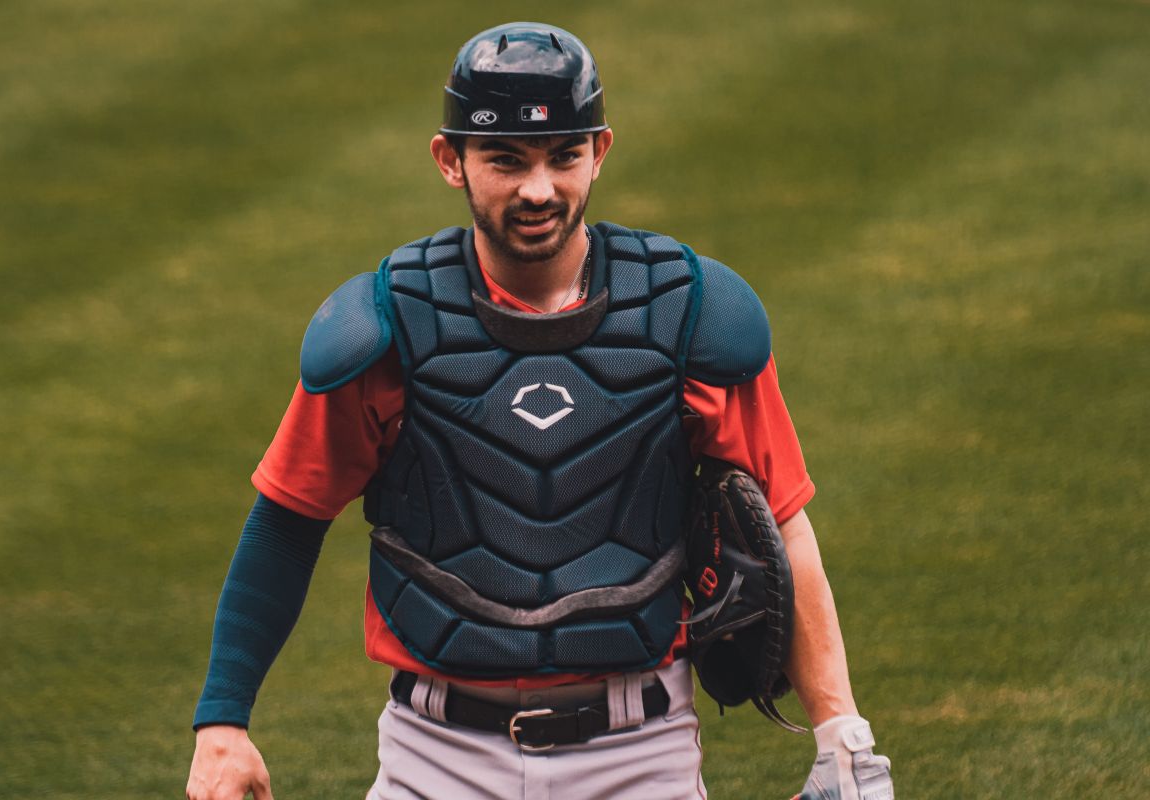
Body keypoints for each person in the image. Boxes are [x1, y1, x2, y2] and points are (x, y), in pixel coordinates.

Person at [186, 22, 893, 800]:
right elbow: (287, 519)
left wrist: (841, 736)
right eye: (506, 159)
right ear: (449, 160)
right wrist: (224, 722)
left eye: (563, 155)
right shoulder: (389, 327)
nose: (538, 188)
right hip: (436, 761)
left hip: (640, 758)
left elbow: (784, 524)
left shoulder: (687, 316)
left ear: (601, 151)